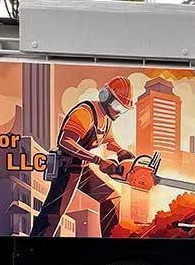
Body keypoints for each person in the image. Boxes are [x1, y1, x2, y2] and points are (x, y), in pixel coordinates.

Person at [31, 76, 152, 237]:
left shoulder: (107, 119)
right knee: (54, 214)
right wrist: (98, 160)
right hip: (66, 169)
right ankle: (34, 250)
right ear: (105, 97)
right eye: (117, 105)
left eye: (122, 109)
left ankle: (112, 241)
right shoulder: (85, 113)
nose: (118, 112)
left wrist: (120, 151)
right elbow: (65, 141)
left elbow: (108, 141)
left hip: (82, 168)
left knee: (111, 196)